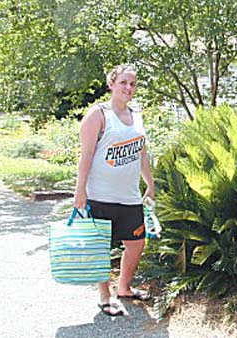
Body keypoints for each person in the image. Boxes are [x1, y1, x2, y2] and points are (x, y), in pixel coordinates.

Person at [74, 64, 155, 316]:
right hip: (100, 194)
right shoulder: (98, 114)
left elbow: (142, 152)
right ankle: (104, 296)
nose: (128, 88)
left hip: (129, 196)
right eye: (123, 82)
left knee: (136, 244)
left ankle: (124, 287)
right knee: (101, 248)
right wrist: (80, 191)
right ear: (111, 84)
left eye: (132, 84)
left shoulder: (137, 114)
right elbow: (86, 155)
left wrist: (150, 184)